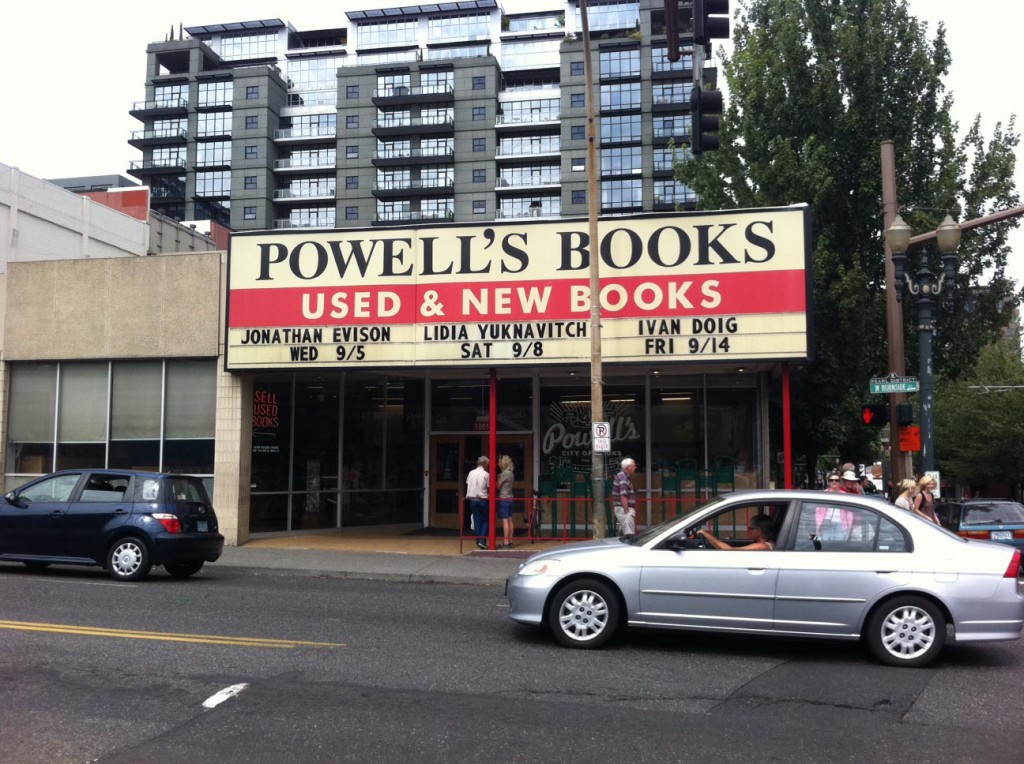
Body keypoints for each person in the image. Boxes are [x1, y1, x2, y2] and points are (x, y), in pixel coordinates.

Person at [698, 513, 777, 550]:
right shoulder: (766, 544)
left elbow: (730, 551)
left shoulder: (763, 546)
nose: (748, 530)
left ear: (759, 531)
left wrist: (707, 535)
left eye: (750, 528)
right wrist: (709, 538)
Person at [466, 455, 490, 549]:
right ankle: (481, 541)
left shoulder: (471, 472)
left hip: (472, 499)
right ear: (485, 464)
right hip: (483, 499)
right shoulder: (486, 474)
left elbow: (468, 483)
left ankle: (479, 540)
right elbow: (489, 487)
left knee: (477, 520)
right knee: (486, 520)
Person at [611, 457, 637, 536]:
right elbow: (623, 495)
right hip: (624, 508)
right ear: (628, 467)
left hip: (622, 508)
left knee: (626, 532)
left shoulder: (622, 476)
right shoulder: (623, 477)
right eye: (633, 466)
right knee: (629, 534)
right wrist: (627, 510)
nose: (635, 467)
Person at [496, 454, 515, 549]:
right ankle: (510, 541)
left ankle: (506, 541)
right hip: (510, 497)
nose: (498, 464)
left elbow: (497, 486)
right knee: (510, 519)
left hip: (503, 498)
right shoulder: (511, 473)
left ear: (504, 463)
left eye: (500, 462)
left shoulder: (504, 474)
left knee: (505, 520)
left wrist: (497, 478)